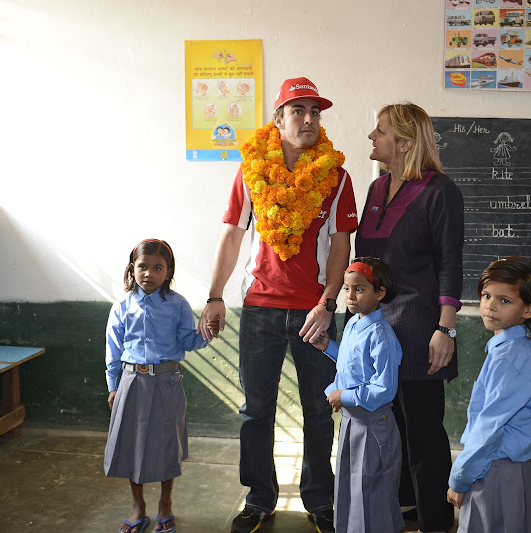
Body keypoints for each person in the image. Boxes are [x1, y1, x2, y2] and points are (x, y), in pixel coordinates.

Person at [197, 77, 358, 533]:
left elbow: (342, 246)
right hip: (260, 309)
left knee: (318, 409)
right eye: (298, 111)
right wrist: (214, 296)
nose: (309, 120)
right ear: (278, 118)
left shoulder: (336, 177)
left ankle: (320, 500)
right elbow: (232, 236)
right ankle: (259, 498)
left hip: (315, 312)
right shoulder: (251, 172)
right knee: (256, 410)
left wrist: (328, 304)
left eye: (315, 112)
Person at [355, 102, 464, 533]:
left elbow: (450, 264)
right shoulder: (376, 188)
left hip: (421, 331)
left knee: (422, 436)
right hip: (377, 331)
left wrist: (446, 327)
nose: (371, 137)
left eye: (379, 131)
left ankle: (437, 521)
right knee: (389, 431)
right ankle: (402, 511)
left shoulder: (440, 191)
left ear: (403, 143)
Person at [104, 239, 218, 533]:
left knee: (169, 446)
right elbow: (113, 351)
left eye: (157, 267)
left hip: (167, 381)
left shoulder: (177, 305)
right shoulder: (122, 306)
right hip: (131, 383)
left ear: (168, 272)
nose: (149, 273)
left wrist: (207, 332)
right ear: (133, 269)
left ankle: (165, 506)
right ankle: (138, 508)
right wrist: (113, 386)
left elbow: (188, 342)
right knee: (132, 447)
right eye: (142, 266)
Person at [447, 256, 531, 533]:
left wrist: (459, 478)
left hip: (492, 470)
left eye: (505, 301)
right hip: (498, 467)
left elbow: (488, 428)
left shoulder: (510, 359)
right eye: (486, 295)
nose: (490, 306)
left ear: (529, 309)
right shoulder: (508, 349)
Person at [310, 257, 403, 533]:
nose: (350, 296)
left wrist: (344, 396)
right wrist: (329, 347)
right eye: (347, 289)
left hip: (374, 424)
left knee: (372, 491)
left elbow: (383, 389)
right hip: (353, 422)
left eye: (359, 289)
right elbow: (352, 364)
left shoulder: (381, 335)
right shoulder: (353, 324)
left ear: (380, 293)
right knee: (351, 486)